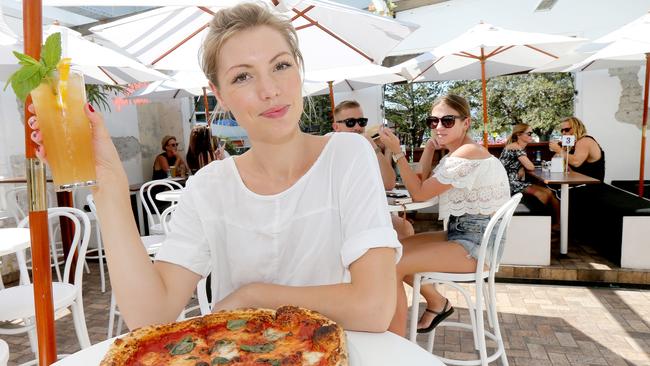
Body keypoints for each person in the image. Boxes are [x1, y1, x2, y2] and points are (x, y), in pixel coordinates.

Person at [29, 2, 400, 332]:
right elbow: (151, 316)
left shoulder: (347, 155)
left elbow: (374, 308)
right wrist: (108, 182)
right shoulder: (210, 185)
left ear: (299, 71)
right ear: (219, 93)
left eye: (281, 65)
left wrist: (254, 296)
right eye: (243, 76)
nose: (269, 89)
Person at [377, 94, 510, 336]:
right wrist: (429, 148)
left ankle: (394, 345)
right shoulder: (456, 154)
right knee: (397, 248)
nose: (439, 127)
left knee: (390, 263)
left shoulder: (466, 154)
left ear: (465, 123)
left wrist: (397, 152)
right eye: (433, 121)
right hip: (464, 233)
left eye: (448, 121)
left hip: (476, 245)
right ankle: (438, 303)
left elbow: (417, 194)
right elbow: (424, 184)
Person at [332, 100, 414, 239]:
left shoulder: (366, 148)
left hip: (370, 213)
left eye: (362, 122)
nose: (358, 127)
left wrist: (373, 146)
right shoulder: (331, 148)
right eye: (351, 122)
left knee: (405, 229)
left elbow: (389, 183)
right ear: (336, 127)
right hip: (342, 218)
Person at [500, 123, 560, 229]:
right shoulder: (515, 147)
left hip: (515, 182)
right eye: (529, 133)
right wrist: (523, 167)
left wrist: (521, 168)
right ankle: (542, 228)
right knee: (543, 195)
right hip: (510, 184)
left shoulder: (518, 148)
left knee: (550, 192)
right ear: (519, 135)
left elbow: (522, 167)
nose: (531, 135)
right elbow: (531, 167)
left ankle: (558, 225)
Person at [549, 116, 605, 181]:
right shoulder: (571, 144)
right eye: (562, 130)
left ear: (576, 128)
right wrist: (563, 149)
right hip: (576, 182)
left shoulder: (585, 141)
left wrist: (559, 150)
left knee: (545, 189)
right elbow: (555, 163)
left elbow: (576, 162)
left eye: (567, 130)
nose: (563, 133)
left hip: (590, 186)